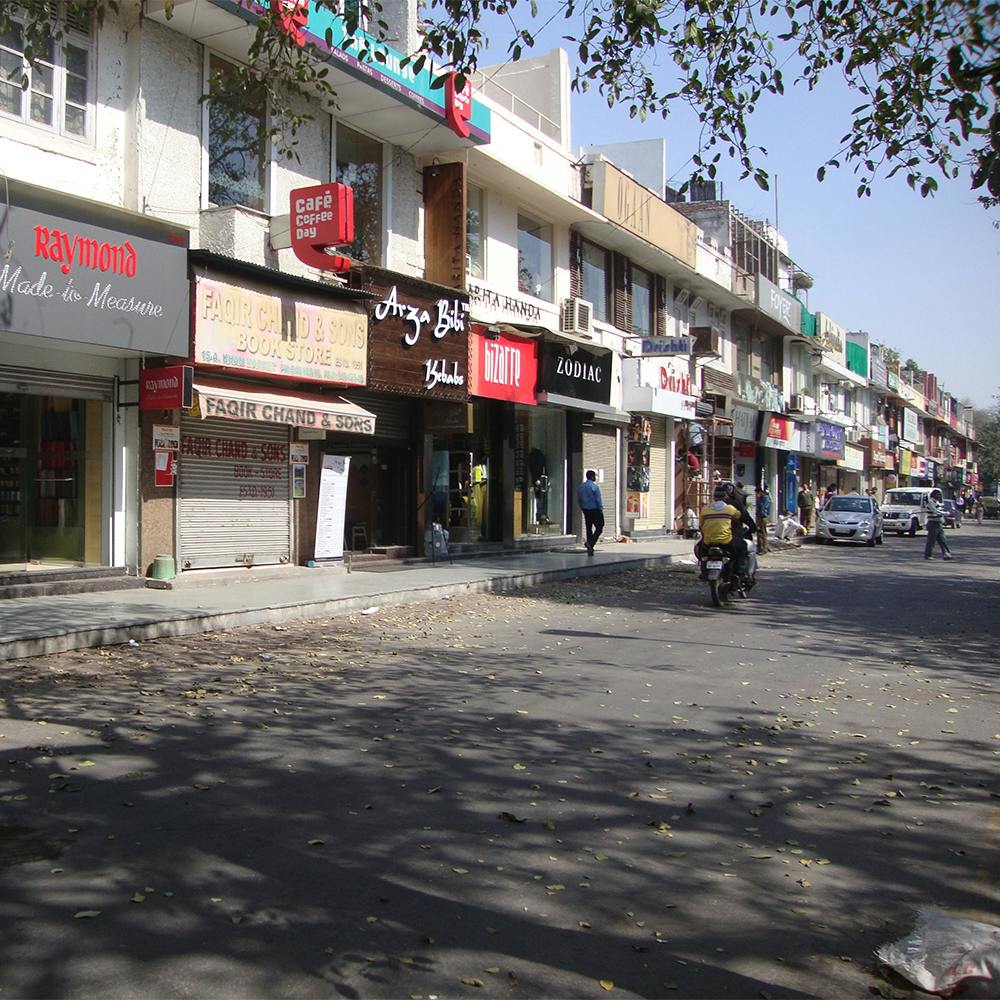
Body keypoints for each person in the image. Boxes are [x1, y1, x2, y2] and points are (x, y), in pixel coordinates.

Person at [697, 483, 746, 571]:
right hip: (726, 541)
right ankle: (740, 570)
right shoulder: (730, 508)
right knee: (743, 546)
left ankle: (703, 570)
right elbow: (739, 516)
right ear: (725, 497)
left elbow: (700, 526)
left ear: (714, 497)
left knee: (701, 551)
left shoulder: (705, 509)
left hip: (708, 542)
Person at [577, 469, 604, 556]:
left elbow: (579, 500)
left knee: (589, 528)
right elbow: (598, 499)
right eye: (594, 476)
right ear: (592, 477)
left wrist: (582, 508)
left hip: (586, 510)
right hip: (595, 510)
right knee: (600, 526)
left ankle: (590, 547)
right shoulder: (594, 487)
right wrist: (600, 508)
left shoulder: (581, 487)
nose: (595, 478)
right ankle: (591, 543)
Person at [924, 488, 954, 560]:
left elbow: (940, 510)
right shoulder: (930, 502)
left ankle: (946, 554)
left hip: (939, 523)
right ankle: (928, 555)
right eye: (938, 494)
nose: (940, 496)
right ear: (934, 495)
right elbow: (936, 512)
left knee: (943, 540)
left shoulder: (937, 502)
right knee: (931, 541)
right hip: (933, 523)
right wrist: (948, 513)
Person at [755, 484, 772, 553]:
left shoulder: (764, 497)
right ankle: (760, 547)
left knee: (762, 532)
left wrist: (760, 516)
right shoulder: (761, 498)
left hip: (762, 517)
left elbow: (763, 508)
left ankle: (763, 548)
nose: (756, 494)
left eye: (757, 493)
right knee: (759, 533)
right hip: (760, 516)